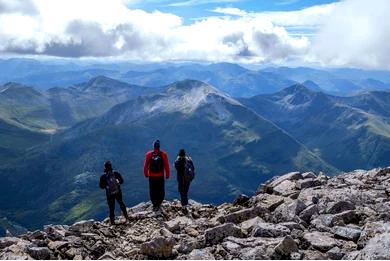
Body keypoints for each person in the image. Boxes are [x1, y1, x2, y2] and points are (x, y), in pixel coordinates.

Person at [99, 161, 129, 225]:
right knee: (121, 203)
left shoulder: (103, 176)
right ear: (111, 166)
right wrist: (117, 183)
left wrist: (106, 186)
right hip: (118, 192)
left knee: (111, 207)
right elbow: (122, 181)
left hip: (109, 194)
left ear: (105, 167)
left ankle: (112, 222)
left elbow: (101, 186)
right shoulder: (116, 173)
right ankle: (126, 217)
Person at [143, 140, 170, 211]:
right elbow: (166, 166)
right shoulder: (164, 154)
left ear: (153, 146)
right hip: (160, 176)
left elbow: (145, 166)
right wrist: (167, 175)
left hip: (151, 176)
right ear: (159, 147)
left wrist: (146, 174)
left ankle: (154, 203)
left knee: (153, 190)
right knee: (160, 190)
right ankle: (159, 202)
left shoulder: (149, 154)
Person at [174, 149, 195, 214]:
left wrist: (177, 159)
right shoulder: (189, 160)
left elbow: (177, 168)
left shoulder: (178, 161)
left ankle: (184, 206)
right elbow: (193, 168)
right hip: (188, 178)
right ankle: (185, 204)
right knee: (185, 191)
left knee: (181, 191)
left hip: (181, 179)